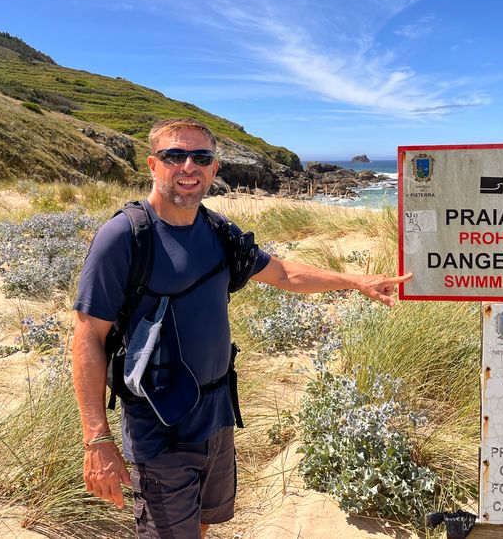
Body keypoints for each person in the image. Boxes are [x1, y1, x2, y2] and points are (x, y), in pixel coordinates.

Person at [72, 117, 411, 538]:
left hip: (217, 419)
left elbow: (284, 274)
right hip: (159, 426)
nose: (188, 166)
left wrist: (355, 281)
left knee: (204, 524)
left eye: (202, 157)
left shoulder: (218, 232)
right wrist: (97, 441)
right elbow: (87, 337)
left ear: (214, 169)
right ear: (152, 165)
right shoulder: (124, 236)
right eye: (174, 155)